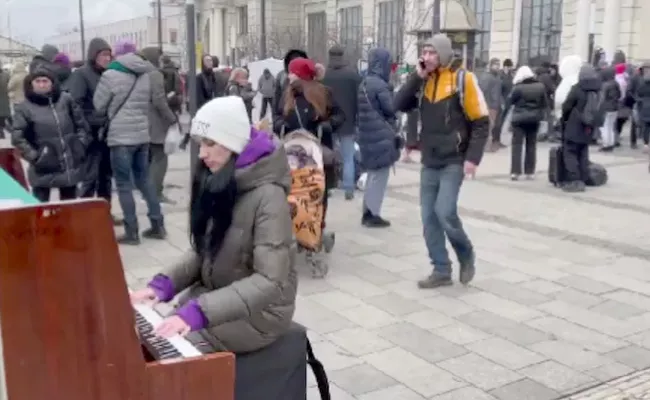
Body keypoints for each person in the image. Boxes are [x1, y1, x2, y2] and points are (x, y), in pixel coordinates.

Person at [130, 95, 297, 354]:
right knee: (149, 341)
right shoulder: (221, 179)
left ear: (233, 144)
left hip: (261, 314)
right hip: (221, 295)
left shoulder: (269, 196)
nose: (202, 153)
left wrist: (198, 312)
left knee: (170, 354)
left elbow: (269, 281)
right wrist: (161, 287)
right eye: (200, 144)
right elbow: (205, 250)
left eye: (210, 143)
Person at [393, 34, 489, 289]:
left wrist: (473, 159)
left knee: (445, 211)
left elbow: (481, 121)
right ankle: (441, 269)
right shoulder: (423, 82)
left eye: (432, 52)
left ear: (444, 54)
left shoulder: (462, 79)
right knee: (428, 217)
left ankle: (465, 253)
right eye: (424, 52)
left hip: (454, 159)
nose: (427, 56)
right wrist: (417, 77)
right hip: (430, 159)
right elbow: (399, 104)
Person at [93, 41, 166, 244]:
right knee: (144, 181)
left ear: (117, 54)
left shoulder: (110, 74)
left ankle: (132, 231)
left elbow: (99, 105)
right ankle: (157, 225)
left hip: (120, 137)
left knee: (124, 185)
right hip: (142, 135)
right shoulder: (145, 74)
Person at [272, 57, 344, 251]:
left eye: (293, 72)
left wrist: (327, 125)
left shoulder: (324, 93)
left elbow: (340, 115)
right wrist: (280, 125)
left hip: (318, 151)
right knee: (294, 193)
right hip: (292, 153)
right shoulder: (287, 94)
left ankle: (316, 231)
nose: (289, 75)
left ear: (302, 75)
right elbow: (276, 116)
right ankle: (298, 230)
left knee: (317, 194)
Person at [11, 69, 90, 202]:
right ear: (31, 84)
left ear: (52, 83)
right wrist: (36, 157)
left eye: (45, 81)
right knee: (41, 210)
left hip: (68, 165)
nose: (42, 85)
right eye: (38, 81)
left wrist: (79, 146)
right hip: (43, 168)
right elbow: (18, 137)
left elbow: (81, 125)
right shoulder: (24, 108)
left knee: (69, 209)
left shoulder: (65, 100)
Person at [67, 37, 119, 224]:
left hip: (107, 133)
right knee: (90, 177)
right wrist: (89, 125)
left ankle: (104, 212)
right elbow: (75, 105)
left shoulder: (109, 73)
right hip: (91, 134)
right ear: (93, 55)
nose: (107, 58)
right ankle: (83, 215)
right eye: (103, 55)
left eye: (109, 55)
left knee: (105, 176)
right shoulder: (82, 75)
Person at [357, 48, 398, 227]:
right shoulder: (380, 85)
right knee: (380, 175)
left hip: (367, 134)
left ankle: (367, 210)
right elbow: (391, 108)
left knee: (373, 173)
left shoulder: (364, 82)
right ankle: (373, 214)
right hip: (380, 135)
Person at [140, 47, 180, 204]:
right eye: (161, 57)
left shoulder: (140, 73)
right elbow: (159, 100)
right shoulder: (154, 74)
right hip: (156, 122)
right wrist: (172, 118)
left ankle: (148, 192)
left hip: (144, 120)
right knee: (161, 158)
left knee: (150, 159)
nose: (163, 60)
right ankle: (155, 193)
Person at [322, 45, 361, 200]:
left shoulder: (324, 75)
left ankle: (329, 187)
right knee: (348, 157)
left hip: (328, 121)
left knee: (327, 155)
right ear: (343, 56)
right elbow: (359, 99)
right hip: (348, 121)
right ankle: (349, 188)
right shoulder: (352, 75)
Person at [560, 64, 602, 192]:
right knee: (583, 152)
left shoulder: (577, 89)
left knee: (570, 152)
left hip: (575, 125)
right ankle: (583, 179)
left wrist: (564, 119)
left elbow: (566, 106)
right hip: (588, 127)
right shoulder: (597, 90)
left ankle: (574, 180)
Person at [506, 65, 548, 180]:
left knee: (517, 146)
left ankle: (515, 172)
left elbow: (510, 101)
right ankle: (530, 172)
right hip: (534, 119)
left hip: (519, 119)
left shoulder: (518, 88)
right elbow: (544, 103)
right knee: (531, 145)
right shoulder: (540, 86)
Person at [478, 58, 503, 152]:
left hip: (495, 105)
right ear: (490, 65)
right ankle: (486, 147)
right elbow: (482, 91)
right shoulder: (486, 77)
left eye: (498, 64)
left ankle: (489, 145)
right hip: (489, 105)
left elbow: (498, 91)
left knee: (492, 126)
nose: (497, 66)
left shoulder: (496, 76)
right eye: (495, 64)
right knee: (489, 126)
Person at [273, 49, 308, 115]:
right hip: (288, 119)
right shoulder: (282, 77)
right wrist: (279, 123)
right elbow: (276, 105)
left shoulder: (311, 80)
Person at [599, 66, 622, 152]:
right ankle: (611, 143)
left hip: (606, 108)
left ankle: (606, 144)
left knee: (604, 126)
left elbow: (602, 98)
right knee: (611, 126)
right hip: (615, 107)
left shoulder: (605, 85)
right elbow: (619, 95)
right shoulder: (616, 84)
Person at [0, 67, 9, 138]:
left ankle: (1, 131)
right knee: (2, 116)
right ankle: (1, 131)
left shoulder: (6, 75)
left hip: (3, 98)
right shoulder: (6, 75)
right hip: (4, 98)